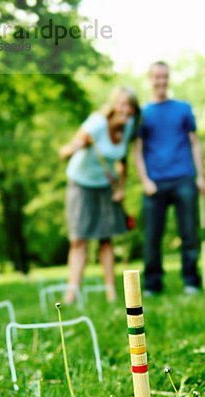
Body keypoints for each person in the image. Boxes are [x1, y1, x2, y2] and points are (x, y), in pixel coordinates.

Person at [59, 86, 139, 302]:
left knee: (106, 238)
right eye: (123, 104)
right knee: (79, 240)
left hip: (105, 185)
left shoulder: (129, 126)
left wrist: (121, 188)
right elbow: (68, 149)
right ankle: (71, 294)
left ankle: (111, 292)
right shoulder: (96, 123)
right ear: (113, 104)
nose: (126, 109)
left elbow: (123, 161)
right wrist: (75, 147)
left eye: (130, 106)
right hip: (80, 183)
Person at [134, 61, 205, 295]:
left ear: (169, 78)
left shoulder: (183, 108)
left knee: (189, 233)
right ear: (149, 78)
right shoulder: (142, 114)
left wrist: (201, 176)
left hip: (184, 177)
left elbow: (195, 143)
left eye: (164, 76)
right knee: (152, 236)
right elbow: (137, 150)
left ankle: (191, 281)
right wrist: (145, 180)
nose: (161, 81)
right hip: (155, 182)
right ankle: (153, 284)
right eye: (156, 77)